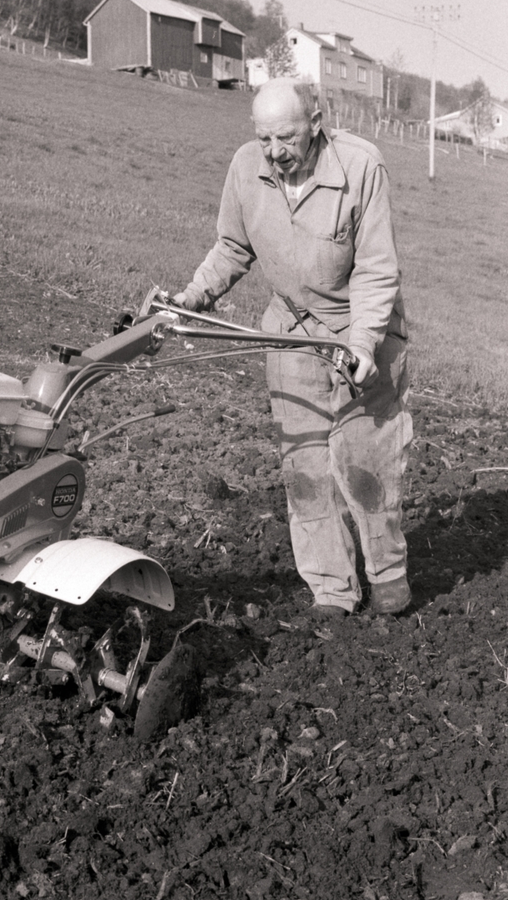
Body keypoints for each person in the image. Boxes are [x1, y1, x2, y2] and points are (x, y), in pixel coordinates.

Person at [172, 78, 412, 619]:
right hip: (290, 329)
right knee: (303, 464)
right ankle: (332, 587)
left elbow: (377, 270)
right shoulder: (246, 168)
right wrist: (192, 297)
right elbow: (233, 246)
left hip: (359, 329)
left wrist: (364, 343)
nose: (275, 152)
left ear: (316, 122)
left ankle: (388, 570)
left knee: (363, 461)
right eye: (264, 139)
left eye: (286, 137)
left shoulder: (360, 167)